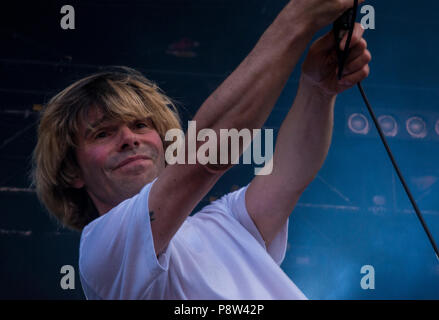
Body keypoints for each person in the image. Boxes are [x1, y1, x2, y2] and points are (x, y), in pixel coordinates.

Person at [32, 0, 370, 299]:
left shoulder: (224, 221)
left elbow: (290, 175)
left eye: (140, 126)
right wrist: (296, 19)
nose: (129, 139)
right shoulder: (102, 247)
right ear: (72, 171)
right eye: (103, 133)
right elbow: (207, 158)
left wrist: (318, 89)